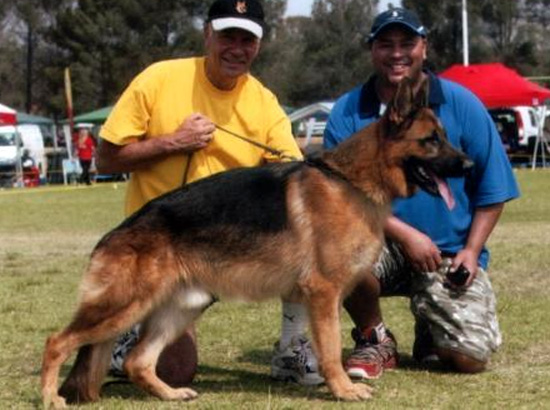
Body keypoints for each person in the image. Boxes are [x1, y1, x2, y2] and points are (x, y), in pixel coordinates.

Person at [96, 0, 317, 387]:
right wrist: (173, 142)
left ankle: (292, 349)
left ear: (259, 45)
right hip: (163, 246)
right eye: (228, 36)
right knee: (175, 373)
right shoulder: (159, 79)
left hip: (228, 247)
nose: (237, 48)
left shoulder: (264, 102)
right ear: (207, 35)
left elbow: (293, 174)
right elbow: (105, 160)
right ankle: (127, 336)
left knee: (309, 240)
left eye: (247, 40)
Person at [320, 8, 520, 380]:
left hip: (447, 253)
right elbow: (339, 193)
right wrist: (405, 234)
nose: (397, 53)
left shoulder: (462, 103)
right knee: (335, 251)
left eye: (407, 43)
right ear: (372, 50)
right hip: (377, 241)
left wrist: (471, 251)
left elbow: (493, 188)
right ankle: (374, 337)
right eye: (386, 44)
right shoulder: (348, 111)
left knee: (468, 358)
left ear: (424, 47)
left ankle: (431, 326)